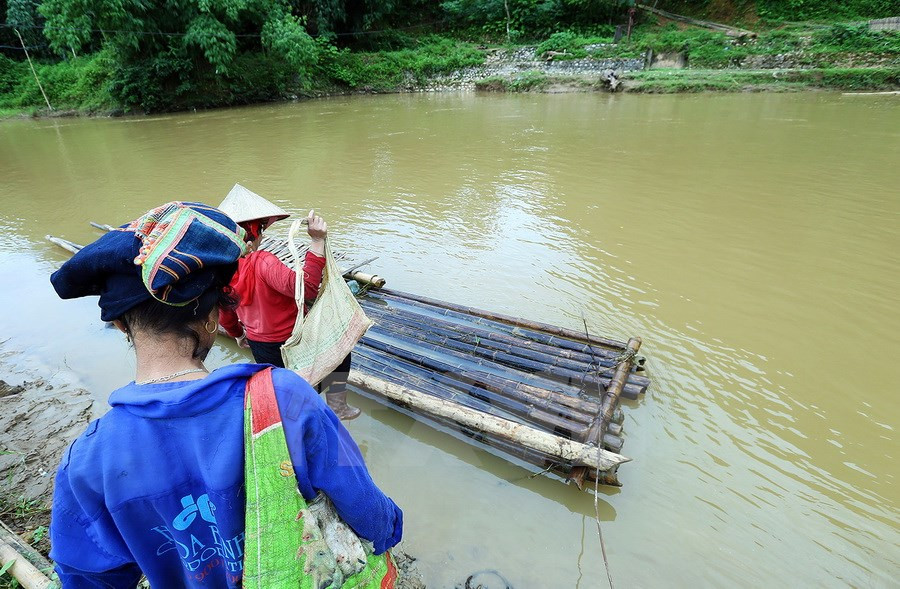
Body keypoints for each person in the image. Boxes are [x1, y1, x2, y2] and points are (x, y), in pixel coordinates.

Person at [49, 202, 402, 587]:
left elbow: (86, 577)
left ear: (119, 325)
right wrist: (389, 531)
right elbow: (371, 516)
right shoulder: (286, 399)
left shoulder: (85, 460)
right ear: (213, 315)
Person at [217, 184, 361, 420]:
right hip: (293, 337)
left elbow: (226, 312)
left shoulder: (220, 270)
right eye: (261, 230)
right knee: (341, 352)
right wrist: (317, 242)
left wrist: (238, 334)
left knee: (282, 384)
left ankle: (293, 421)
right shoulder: (262, 261)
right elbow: (306, 288)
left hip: (259, 343)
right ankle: (335, 407)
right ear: (253, 235)